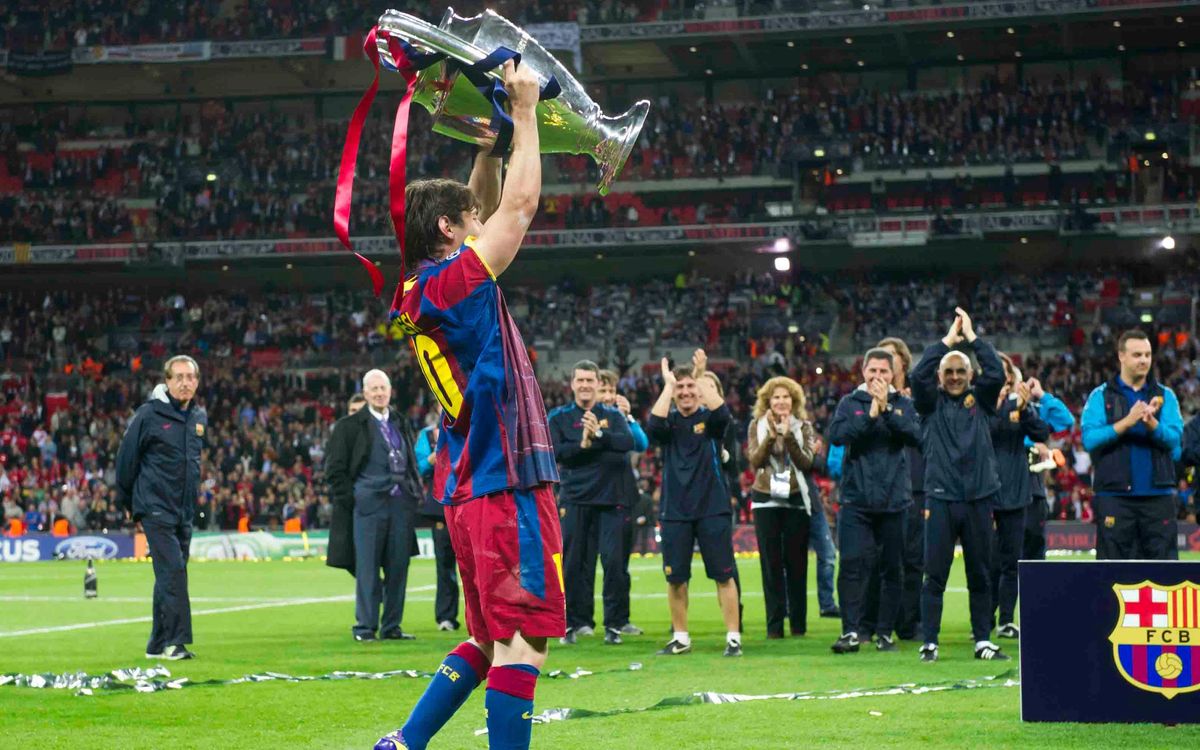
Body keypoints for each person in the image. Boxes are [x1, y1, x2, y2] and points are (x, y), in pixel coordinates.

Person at [376, 59, 563, 750]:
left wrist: (486, 153)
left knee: (486, 639)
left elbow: (480, 207)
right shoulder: (457, 282)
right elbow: (515, 211)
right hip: (504, 478)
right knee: (524, 642)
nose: (476, 221)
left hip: (466, 486)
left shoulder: (418, 288)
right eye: (467, 220)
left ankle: (405, 742)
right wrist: (524, 114)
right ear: (452, 230)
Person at [911, 308, 1009, 663]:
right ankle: (930, 642)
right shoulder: (929, 403)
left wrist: (973, 338)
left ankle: (982, 640)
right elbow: (916, 375)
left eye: (960, 371)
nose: (954, 377)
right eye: (948, 372)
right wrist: (946, 343)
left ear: (971, 375)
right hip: (940, 498)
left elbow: (996, 371)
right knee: (934, 574)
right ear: (940, 376)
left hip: (980, 498)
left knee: (980, 573)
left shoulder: (982, 400)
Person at [648, 350, 742, 657]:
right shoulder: (670, 424)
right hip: (675, 510)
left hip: (712, 506)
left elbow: (723, 414)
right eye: (681, 388)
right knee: (676, 579)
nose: (687, 392)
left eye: (691, 388)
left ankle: (733, 637)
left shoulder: (710, 422)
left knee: (724, 574)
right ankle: (681, 638)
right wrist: (667, 384)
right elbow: (653, 425)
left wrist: (700, 377)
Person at [827, 348, 919, 654]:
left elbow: (914, 434)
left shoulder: (903, 403)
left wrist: (886, 410)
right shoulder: (850, 403)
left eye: (883, 371)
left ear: (893, 374)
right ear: (863, 372)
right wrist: (870, 415)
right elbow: (838, 436)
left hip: (895, 500)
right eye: (873, 371)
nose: (878, 377)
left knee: (892, 569)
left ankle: (884, 633)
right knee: (852, 565)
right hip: (856, 499)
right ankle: (851, 631)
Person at [115, 355, 206, 661]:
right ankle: (176, 643)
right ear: (167, 381)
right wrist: (129, 503)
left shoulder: (198, 418)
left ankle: (156, 643)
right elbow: (126, 460)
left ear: (197, 381)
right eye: (178, 377)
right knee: (174, 572)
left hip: (183, 510)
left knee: (168, 575)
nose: (184, 383)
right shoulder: (148, 415)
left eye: (190, 377)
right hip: (154, 507)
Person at [325, 369, 422, 642]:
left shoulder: (401, 422)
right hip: (368, 506)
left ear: (390, 391)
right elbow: (334, 471)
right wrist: (355, 498)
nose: (380, 393)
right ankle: (365, 627)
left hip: (400, 504)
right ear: (365, 393)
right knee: (366, 569)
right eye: (374, 389)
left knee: (398, 567)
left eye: (383, 388)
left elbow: (411, 461)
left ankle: (392, 626)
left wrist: (414, 493)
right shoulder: (349, 426)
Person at [548, 360, 635, 645]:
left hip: (611, 500)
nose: (585, 385)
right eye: (580, 380)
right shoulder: (559, 418)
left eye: (590, 380)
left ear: (598, 384)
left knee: (613, 563)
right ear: (572, 384)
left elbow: (626, 444)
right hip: (574, 499)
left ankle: (614, 624)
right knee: (573, 564)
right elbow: (555, 453)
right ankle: (576, 622)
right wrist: (582, 446)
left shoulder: (613, 415)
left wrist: (597, 434)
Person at [1081, 329, 1184, 560]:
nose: (1144, 360)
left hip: (1158, 497)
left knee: (1164, 572)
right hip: (1114, 497)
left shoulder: (1165, 395)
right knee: (1111, 572)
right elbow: (1090, 440)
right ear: (1121, 356)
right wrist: (1127, 421)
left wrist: (1151, 424)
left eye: (1147, 355)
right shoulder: (1101, 396)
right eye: (1137, 355)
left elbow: (1175, 439)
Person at [746, 375, 815, 639]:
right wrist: (771, 436)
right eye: (776, 397)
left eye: (786, 397)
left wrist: (788, 439)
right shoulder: (757, 425)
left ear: (794, 400)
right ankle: (774, 627)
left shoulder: (803, 427)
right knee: (770, 565)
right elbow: (755, 459)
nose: (781, 401)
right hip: (765, 499)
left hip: (796, 500)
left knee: (797, 565)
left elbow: (807, 462)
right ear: (768, 401)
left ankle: (798, 626)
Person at [988, 355, 1049, 640]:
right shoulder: (977, 405)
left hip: (1014, 491)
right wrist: (997, 404)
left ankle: (1007, 620)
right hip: (983, 492)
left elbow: (1042, 433)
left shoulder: (1019, 405)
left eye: (1005, 376)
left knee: (1012, 560)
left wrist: (1024, 410)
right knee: (985, 560)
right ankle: (983, 620)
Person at [598, 368, 647, 639]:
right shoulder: (587, 417)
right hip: (590, 497)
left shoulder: (619, 418)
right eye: (601, 390)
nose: (607, 396)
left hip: (620, 496)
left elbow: (640, 445)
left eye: (610, 391)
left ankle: (619, 619)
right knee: (579, 564)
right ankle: (578, 621)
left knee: (618, 564)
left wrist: (628, 417)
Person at [414, 412, 459, 631]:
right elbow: (419, 467)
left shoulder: (473, 425)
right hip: (441, 507)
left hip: (471, 502)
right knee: (444, 565)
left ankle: (481, 617)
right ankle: (446, 617)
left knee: (480, 566)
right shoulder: (427, 435)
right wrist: (434, 456)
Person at [1022, 378, 1075, 562]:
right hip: (1005, 494)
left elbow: (1066, 420)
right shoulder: (996, 412)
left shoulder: (1034, 413)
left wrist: (1043, 396)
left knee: (1035, 554)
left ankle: (1035, 590)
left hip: (1034, 493)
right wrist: (1033, 442)